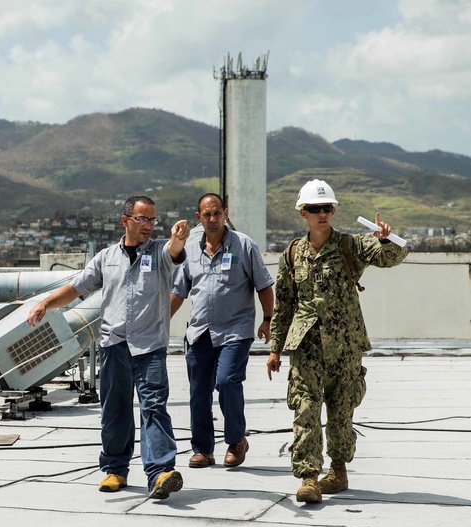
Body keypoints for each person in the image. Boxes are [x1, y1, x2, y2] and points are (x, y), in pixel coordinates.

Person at [27, 195, 191, 500]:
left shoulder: (158, 252)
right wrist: (46, 304)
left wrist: (178, 239)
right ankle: (116, 469)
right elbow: (77, 288)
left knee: (153, 407)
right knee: (114, 410)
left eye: (153, 220)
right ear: (125, 220)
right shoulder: (106, 257)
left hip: (149, 346)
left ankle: (160, 473)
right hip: (115, 344)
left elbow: (174, 252)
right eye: (142, 219)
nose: (148, 226)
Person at [266, 179, 408, 504]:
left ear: (334, 211)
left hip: (345, 347)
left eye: (326, 208)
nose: (321, 214)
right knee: (305, 409)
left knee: (341, 412)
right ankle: (308, 477)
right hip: (306, 347)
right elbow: (284, 304)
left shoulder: (350, 246)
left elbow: (393, 256)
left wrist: (388, 240)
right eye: (314, 209)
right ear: (303, 212)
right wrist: (275, 349)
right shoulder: (292, 253)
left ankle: (338, 471)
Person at [170, 193, 274, 469]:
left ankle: (236, 440)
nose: (213, 219)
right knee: (199, 392)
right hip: (200, 332)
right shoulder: (190, 250)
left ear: (225, 213)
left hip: (235, 331)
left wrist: (267, 318)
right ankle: (203, 449)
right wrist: (158, 323)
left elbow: (263, 285)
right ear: (199, 218)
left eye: (217, 213)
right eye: (207, 215)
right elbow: (178, 292)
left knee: (227, 381)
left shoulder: (244, 245)